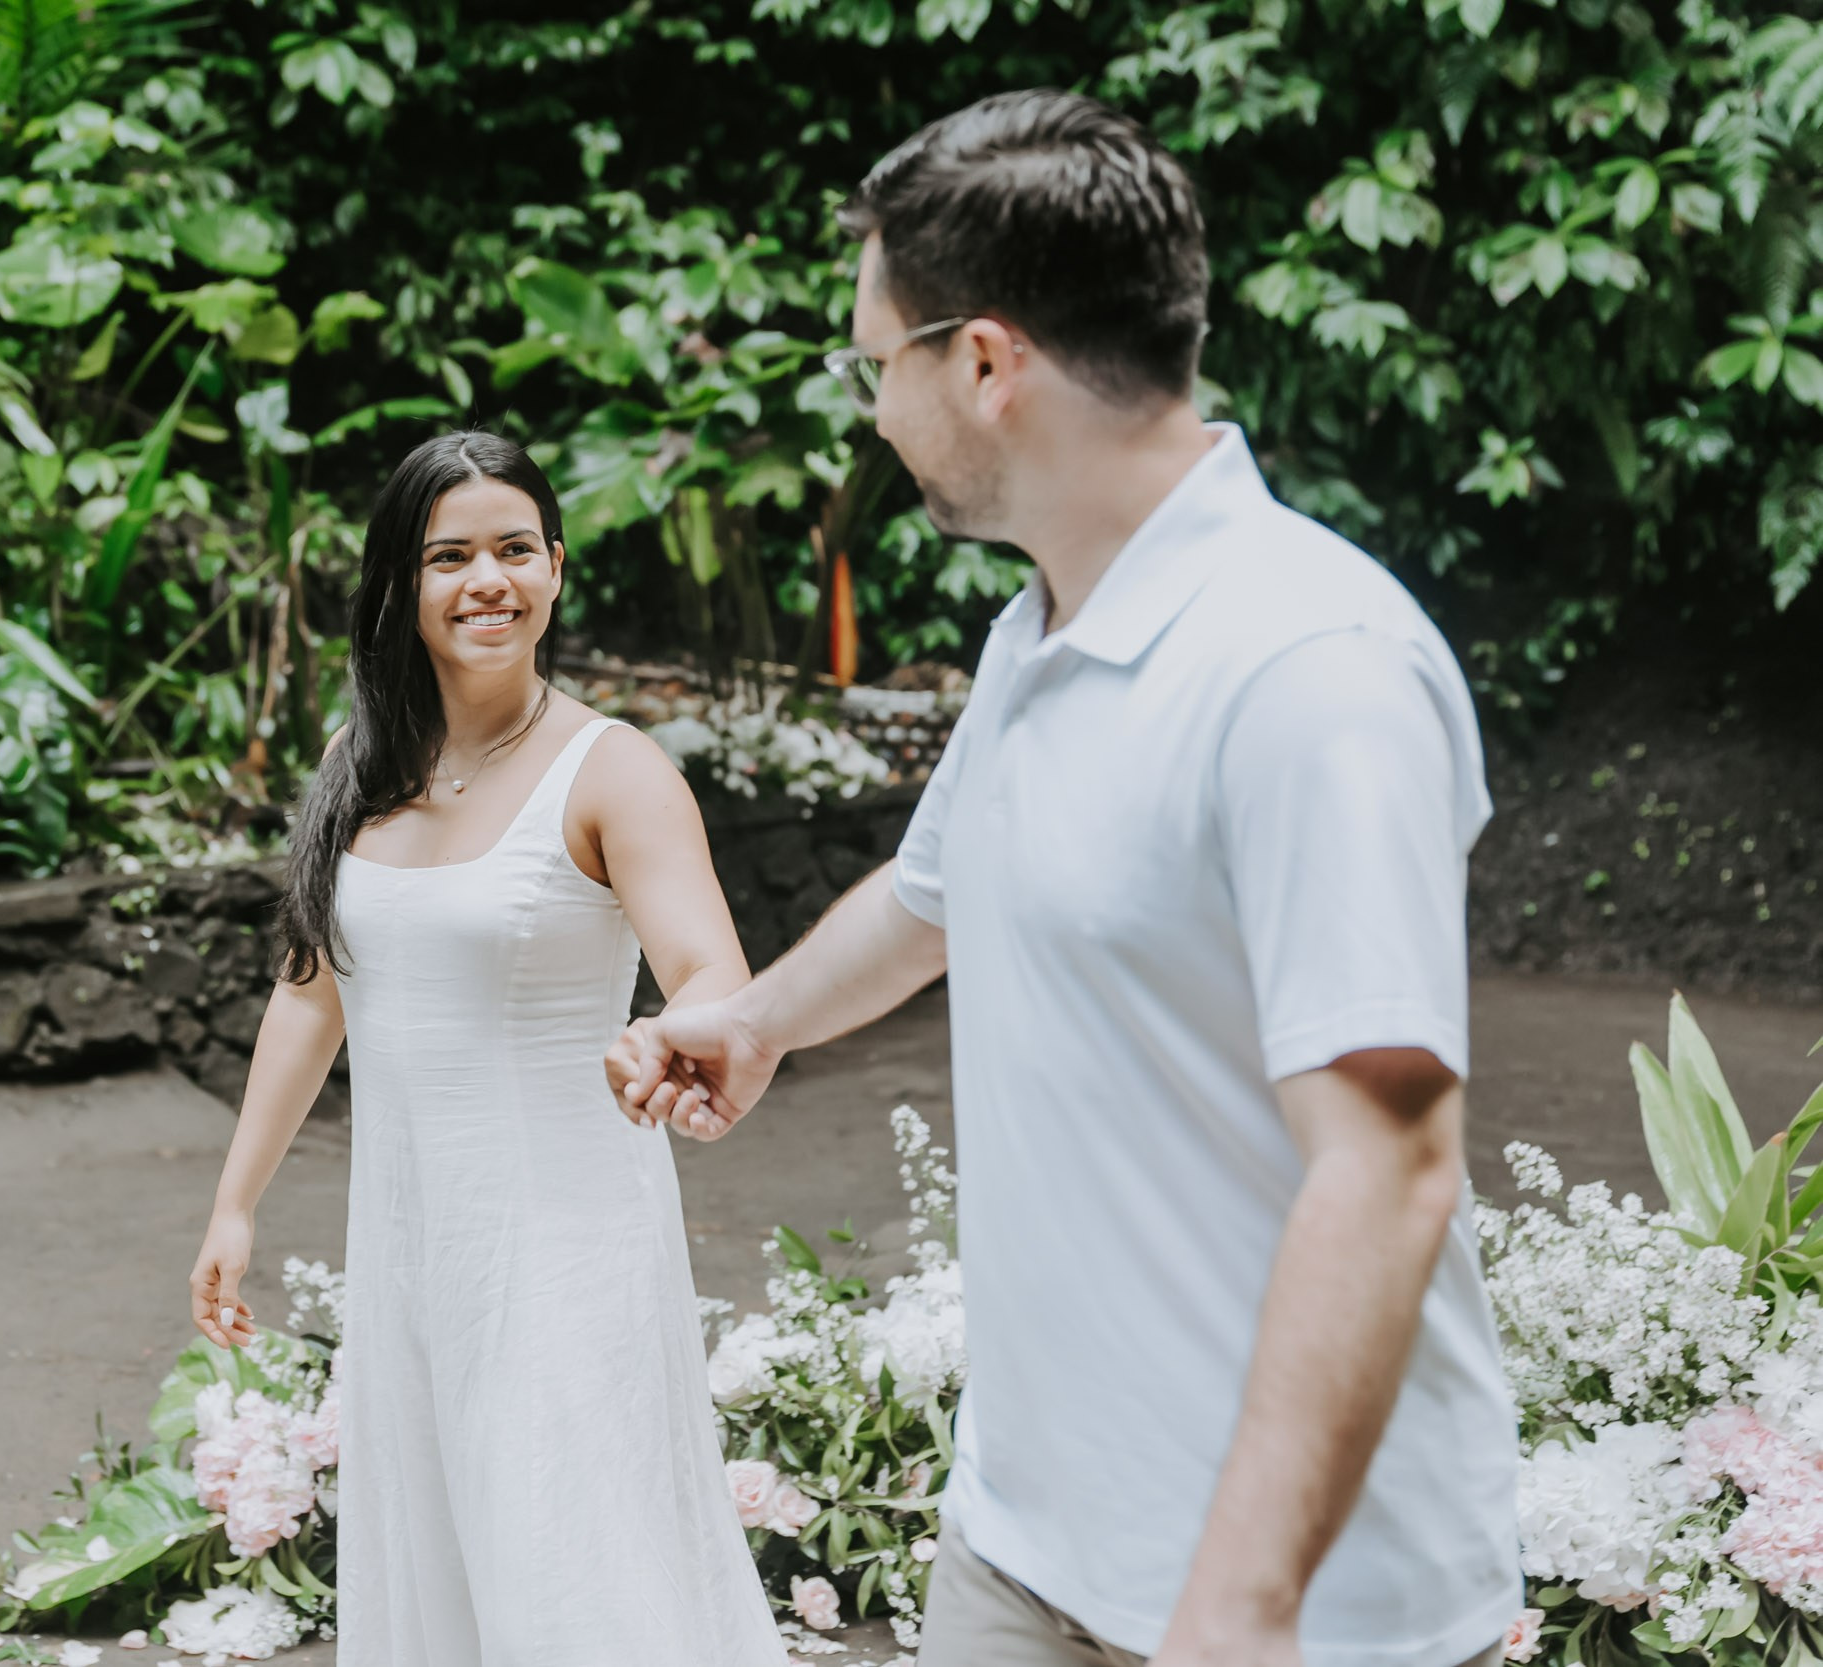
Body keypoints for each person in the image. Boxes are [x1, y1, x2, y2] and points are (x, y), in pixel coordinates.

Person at [608, 91, 1522, 1667]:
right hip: (1023, 1547)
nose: (871, 413)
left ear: (981, 359)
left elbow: (1388, 1166)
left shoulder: (1315, 671)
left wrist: (1240, 1609)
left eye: (871, 362)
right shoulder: (1038, 635)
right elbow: (933, 894)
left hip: (1294, 1600)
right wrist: (756, 1019)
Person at [188, 431, 789, 1666]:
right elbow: (311, 994)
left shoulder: (611, 770)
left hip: (568, 1241)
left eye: (514, 549)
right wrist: (235, 1202)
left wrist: (682, 1033)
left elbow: (709, 966)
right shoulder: (359, 768)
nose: (487, 581)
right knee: (442, 1540)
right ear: (403, 586)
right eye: (449, 555)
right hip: (413, 1241)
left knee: (571, 1545)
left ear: (556, 569)